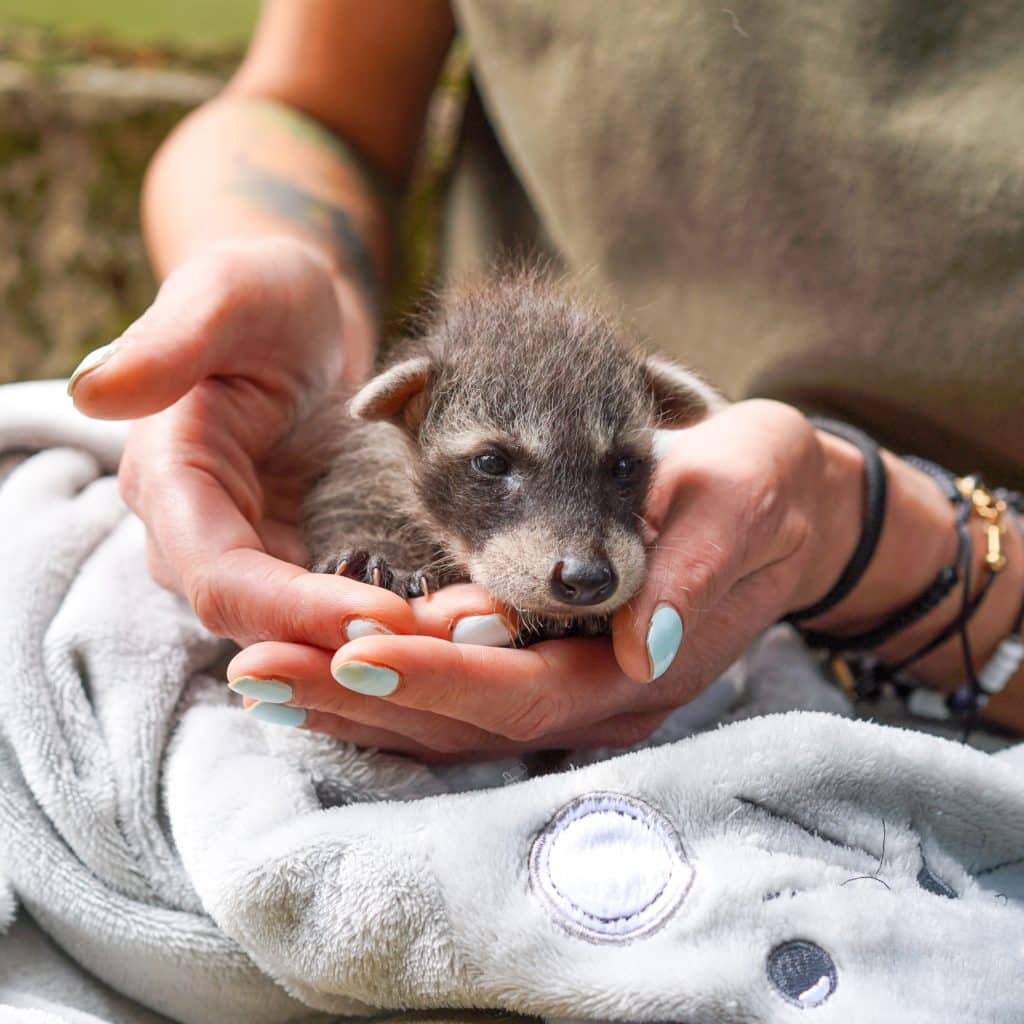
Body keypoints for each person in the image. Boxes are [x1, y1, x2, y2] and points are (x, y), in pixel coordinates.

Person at [67, 0, 1024, 756]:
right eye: (494, 470)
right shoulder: (386, 450)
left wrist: (876, 544)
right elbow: (315, 107)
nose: (583, 562)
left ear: (665, 422)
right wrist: (272, 267)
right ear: (403, 408)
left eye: (620, 475)